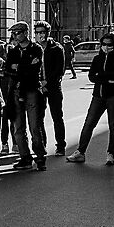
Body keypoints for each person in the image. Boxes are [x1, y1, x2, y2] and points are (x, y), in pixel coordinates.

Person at [67, 32, 114, 165]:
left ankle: (111, 154)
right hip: (99, 95)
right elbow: (92, 76)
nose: (106, 47)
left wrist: (103, 76)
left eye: (109, 44)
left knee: (113, 125)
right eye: (103, 44)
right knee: (89, 123)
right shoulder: (98, 58)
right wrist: (107, 79)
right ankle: (80, 151)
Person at [0, 24, 46, 171]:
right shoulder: (13, 51)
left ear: (26, 32)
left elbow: (34, 70)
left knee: (34, 127)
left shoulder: (36, 49)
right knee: (18, 127)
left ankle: (40, 157)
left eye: (18, 33)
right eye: (13, 33)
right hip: (16, 90)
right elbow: (7, 69)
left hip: (31, 89)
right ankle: (25, 157)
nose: (15, 36)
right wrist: (21, 67)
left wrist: (18, 67)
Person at [32, 21, 71, 160]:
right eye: (37, 32)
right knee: (38, 118)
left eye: (42, 32)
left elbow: (59, 70)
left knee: (57, 117)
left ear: (48, 33)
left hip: (53, 86)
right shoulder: (34, 48)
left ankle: (60, 145)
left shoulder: (56, 48)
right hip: (38, 87)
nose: (40, 35)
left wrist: (47, 82)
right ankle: (41, 146)